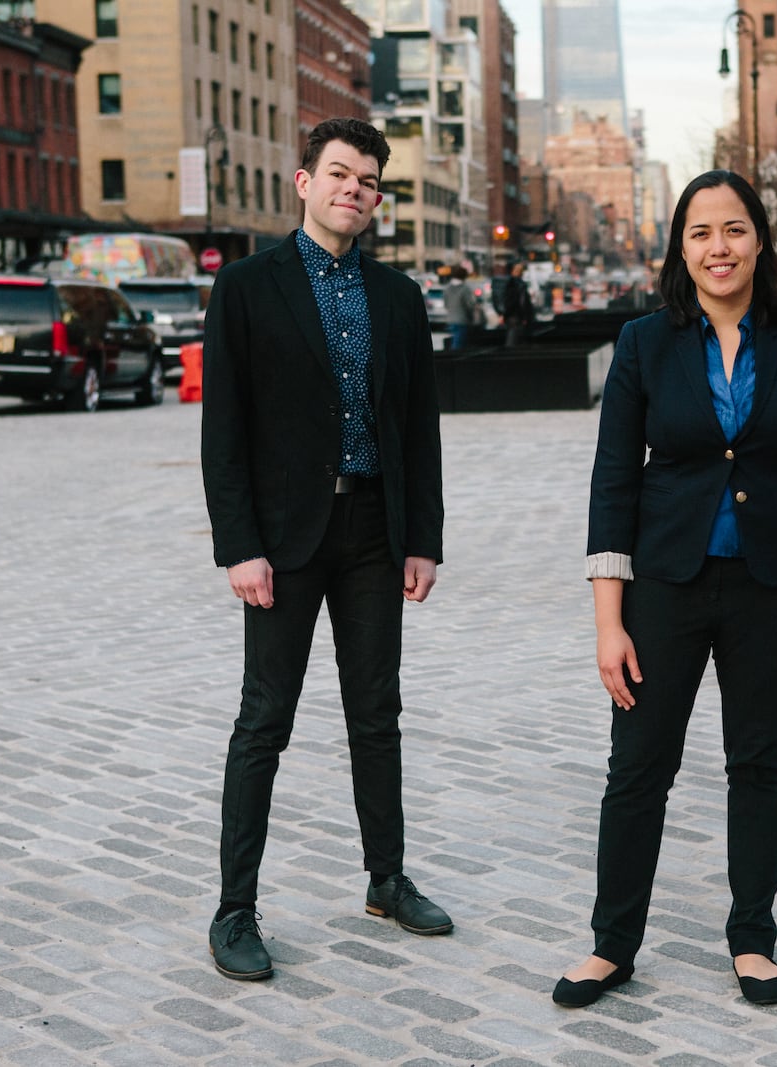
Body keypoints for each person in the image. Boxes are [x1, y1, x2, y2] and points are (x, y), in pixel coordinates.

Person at [554, 170, 777, 1010]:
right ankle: (611, 944)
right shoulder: (644, 343)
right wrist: (608, 623)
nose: (718, 247)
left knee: (759, 762)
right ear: (680, 248)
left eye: (734, 230)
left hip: (774, 584)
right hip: (663, 585)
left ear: (760, 240)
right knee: (637, 768)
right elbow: (612, 481)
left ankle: (753, 937)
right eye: (700, 233)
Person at [200, 116, 450, 983]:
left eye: (369, 180)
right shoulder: (244, 286)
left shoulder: (398, 297)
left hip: (375, 532)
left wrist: (425, 539)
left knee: (376, 715)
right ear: (303, 181)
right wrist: (240, 546)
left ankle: (386, 879)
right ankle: (235, 908)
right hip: (284, 541)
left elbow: (420, 428)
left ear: (378, 198)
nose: (354, 189)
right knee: (263, 721)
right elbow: (223, 430)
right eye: (339, 173)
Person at [444, 264, 478, 350]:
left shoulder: (447, 288)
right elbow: (470, 305)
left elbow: (446, 304)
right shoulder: (465, 288)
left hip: (450, 319)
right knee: (459, 346)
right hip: (462, 320)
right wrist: (472, 317)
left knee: (453, 341)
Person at [502, 261, 535, 345]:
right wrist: (525, 315)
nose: (520, 272)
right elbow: (520, 302)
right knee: (513, 339)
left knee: (515, 338)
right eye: (517, 270)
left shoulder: (514, 284)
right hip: (515, 316)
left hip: (514, 316)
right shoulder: (516, 284)